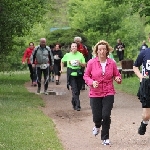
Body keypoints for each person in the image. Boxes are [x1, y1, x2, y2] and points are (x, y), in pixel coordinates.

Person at [83, 40, 122, 145]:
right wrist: (92, 82)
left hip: (108, 92)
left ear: (107, 50)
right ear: (96, 51)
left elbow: (117, 74)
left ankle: (105, 138)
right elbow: (86, 76)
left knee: (106, 115)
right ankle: (97, 125)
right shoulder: (91, 62)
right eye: (100, 49)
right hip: (95, 93)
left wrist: (118, 78)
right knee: (97, 117)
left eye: (104, 49)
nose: (102, 51)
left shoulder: (112, 63)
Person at [60, 42, 86, 111]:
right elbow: (62, 61)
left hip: (79, 74)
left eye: (75, 46)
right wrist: (62, 69)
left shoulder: (80, 55)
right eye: (72, 46)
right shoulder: (67, 55)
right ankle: (78, 105)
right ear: (70, 48)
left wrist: (79, 63)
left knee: (78, 89)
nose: (74, 47)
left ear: (77, 48)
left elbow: (84, 64)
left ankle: (73, 100)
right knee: (74, 90)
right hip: (71, 74)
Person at [133, 47, 150, 135]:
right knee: (147, 115)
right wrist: (140, 76)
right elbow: (135, 66)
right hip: (147, 84)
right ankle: (144, 123)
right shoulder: (144, 53)